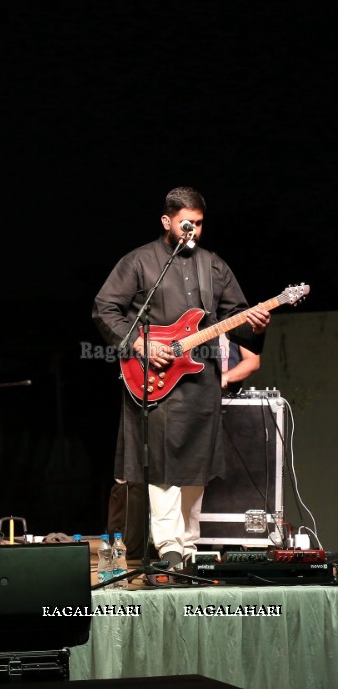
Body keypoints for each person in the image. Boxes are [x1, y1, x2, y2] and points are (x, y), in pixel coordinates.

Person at [92, 188, 269, 571]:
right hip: (155, 379)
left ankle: (189, 543)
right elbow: (105, 308)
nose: (194, 231)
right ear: (167, 221)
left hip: (201, 380)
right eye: (187, 223)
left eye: (200, 223)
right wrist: (139, 343)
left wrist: (254, 324)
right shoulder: (139, 262)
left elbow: (236, 314)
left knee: (196, 467)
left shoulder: (213, 265)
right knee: (162, 464)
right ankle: (168, 544)